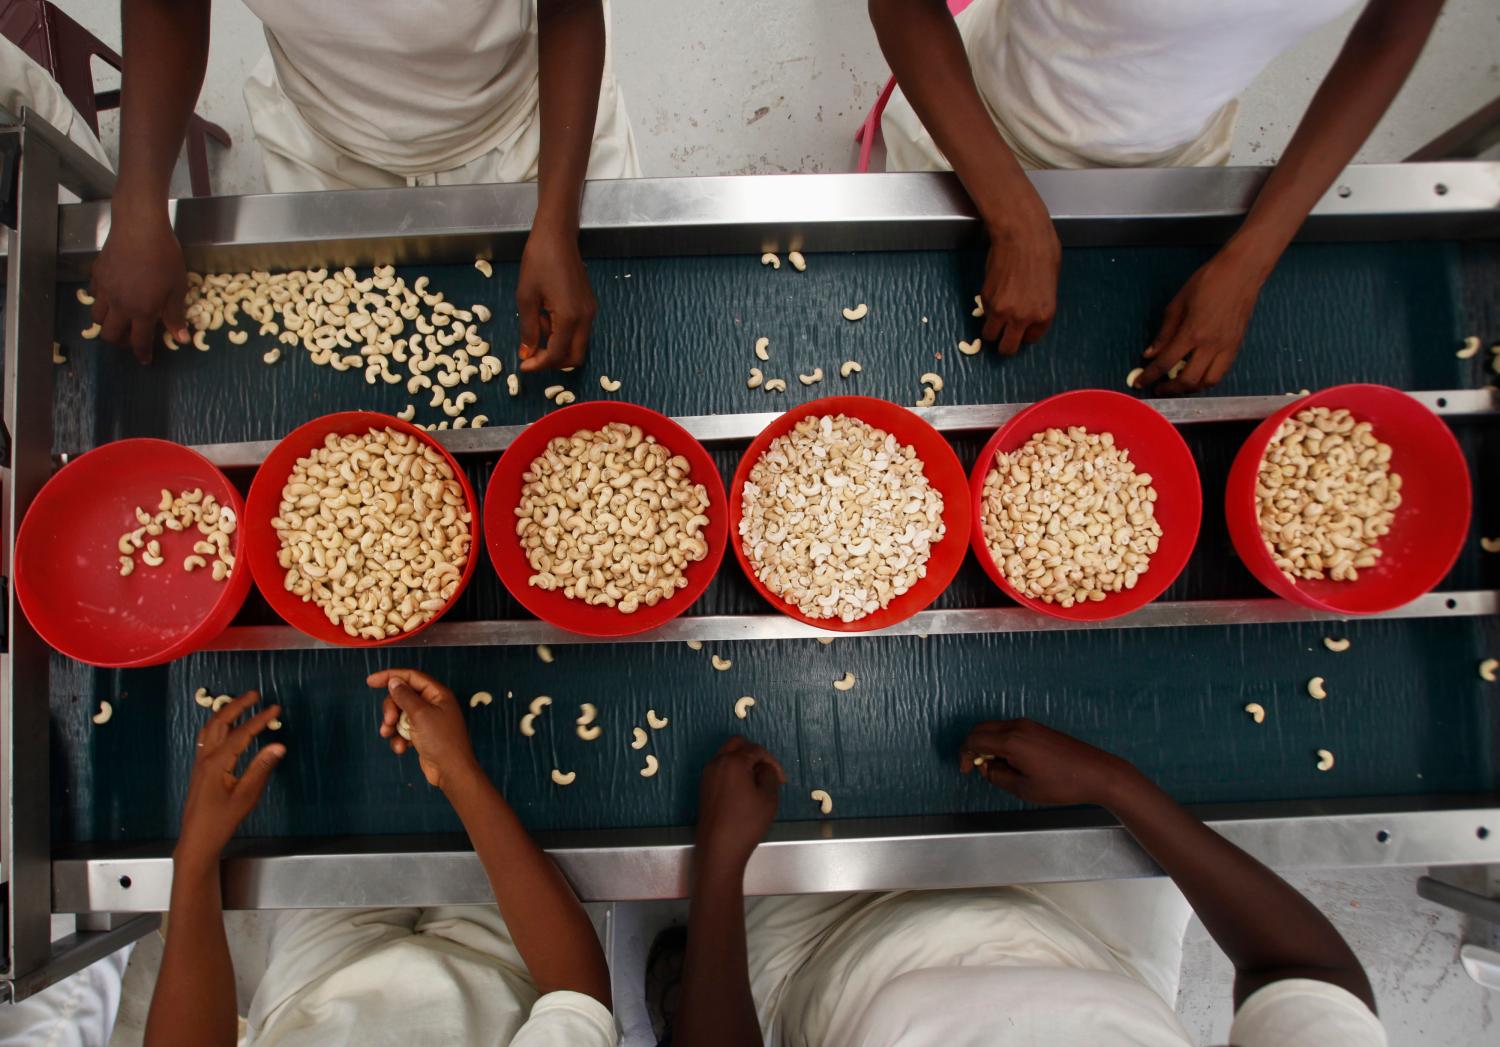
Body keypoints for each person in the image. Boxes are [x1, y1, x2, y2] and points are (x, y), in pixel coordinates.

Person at [672, 722, 1384, 1046]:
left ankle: (675, 982)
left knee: (706, 971)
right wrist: (1114, 784)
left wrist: (721, 863)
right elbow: (1310, 973)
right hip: (1093, 945)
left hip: (823, 962)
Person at [868, 0, 1445, 393]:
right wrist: (1016, 219)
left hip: (1176, 157)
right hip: (990, 120)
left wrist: (1251, 258)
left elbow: (1394, 29)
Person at [88, 0, 639, 370]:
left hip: (526, 122)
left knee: (608, 333)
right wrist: (138, 204)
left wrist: (557, 224)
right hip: (328, 137)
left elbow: (569, 10)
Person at [141, 675, 616, 1046]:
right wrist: (457, 773)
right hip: (509, 967)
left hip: (313, 976)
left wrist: (196, 857)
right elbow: (577, 997)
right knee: (525, 787)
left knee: (334, 801)